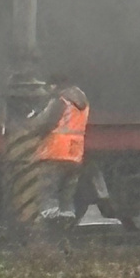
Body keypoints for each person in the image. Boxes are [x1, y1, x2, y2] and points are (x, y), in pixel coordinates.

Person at [30, 80, 89, 225]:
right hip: (75, 154)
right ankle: (67, 224)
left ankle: (50, 225)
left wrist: (32, 125)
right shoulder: (83, 103)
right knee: (67, 194)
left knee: (48, 189)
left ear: (55, 85)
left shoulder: (60, 101)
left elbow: (46, 123)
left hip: (56, 152)